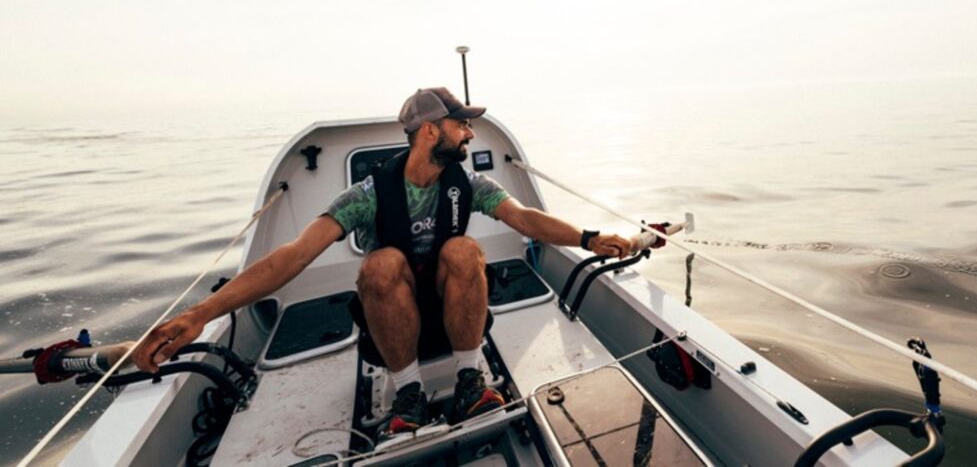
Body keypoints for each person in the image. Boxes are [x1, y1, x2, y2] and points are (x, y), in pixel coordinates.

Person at [133, 87, 633, 435]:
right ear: (430, 131)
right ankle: (408, 392)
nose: (470, 136)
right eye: (462, 126)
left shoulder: (470, 185)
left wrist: (589, 238)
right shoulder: (366, 194)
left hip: (448, 299)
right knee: (380, 263)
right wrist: (201, 314)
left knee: (464, 249)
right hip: (389, 308)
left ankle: (467, 378)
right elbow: (293, 256)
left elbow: (525, 219)